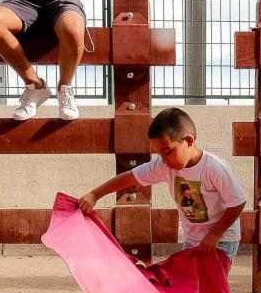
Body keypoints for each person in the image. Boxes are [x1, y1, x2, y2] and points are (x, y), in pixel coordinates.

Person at [79, 108, 247, 264]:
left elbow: (238, 201)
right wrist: (95, 194)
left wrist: (215, 235)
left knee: (209, 285)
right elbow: (132, 177)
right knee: (187, 285)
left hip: (222, 239)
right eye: (159, 154)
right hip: (193, 239)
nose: (165, 160)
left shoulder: (215, 168)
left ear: (189, 140)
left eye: (168, 151)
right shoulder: (164, 165)